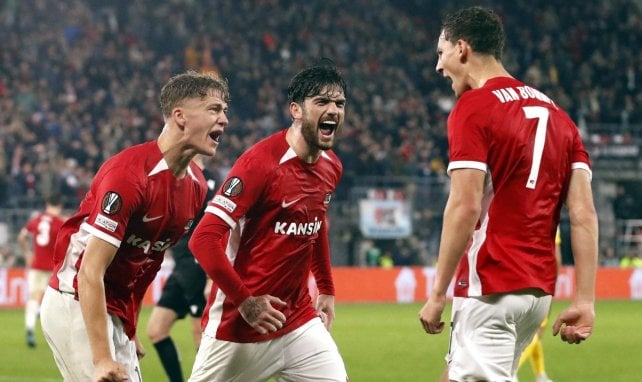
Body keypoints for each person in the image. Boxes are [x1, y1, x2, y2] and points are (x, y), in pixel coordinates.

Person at [418, 6, 598, 382]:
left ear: (462, 49)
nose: (439, 66)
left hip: (491, 285)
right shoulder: (560, 117)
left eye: (441, 53)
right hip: (536, 295)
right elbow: (582, 213)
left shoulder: (474, 107)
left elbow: (464, 206)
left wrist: (438, 293)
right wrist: (584, 299)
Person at [40, 70, 230, 382]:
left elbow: (146, 264)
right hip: (74, 297)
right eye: (214, 109)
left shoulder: (195, 189)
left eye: (224, 111)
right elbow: (90, 270)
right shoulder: (128, 175)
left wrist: (130, 326)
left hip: (114, 309)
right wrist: (101, 358)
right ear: (180, 116)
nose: (223, 119)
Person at [187, 62, 348, 382]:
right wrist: (246, 303)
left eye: (339, 104)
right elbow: (202, 239)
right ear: (296, 110)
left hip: (298, 320)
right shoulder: (259, 164)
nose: (333, 110)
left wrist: (326, 288)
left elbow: (314, 227)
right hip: (240, 326)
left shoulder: (332, 166)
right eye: (321, 102)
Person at [146, 155, 216, 382]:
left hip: (198, 266)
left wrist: (210, 278)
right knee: (156, 330)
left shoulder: (209, 182)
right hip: (181, 265)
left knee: (201, 334)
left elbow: (217, 230)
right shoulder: (180, 179)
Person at [17, 194, 66, 348]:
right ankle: (56, 336)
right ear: (60, 206)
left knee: (33, 297)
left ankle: (30, 328)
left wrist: (27, 253)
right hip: (53, 268)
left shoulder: (36, 220)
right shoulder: (60, 223)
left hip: (36, 265)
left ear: (46, 204)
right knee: (55, 301)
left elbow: (21, 237)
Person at [514, 228, 563, 382]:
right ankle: (512, 370)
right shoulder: (548, 214)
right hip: (540, 280)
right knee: (536, 331)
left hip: (517, 276)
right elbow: (556, 256)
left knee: (533, 332)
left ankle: (541, 375)